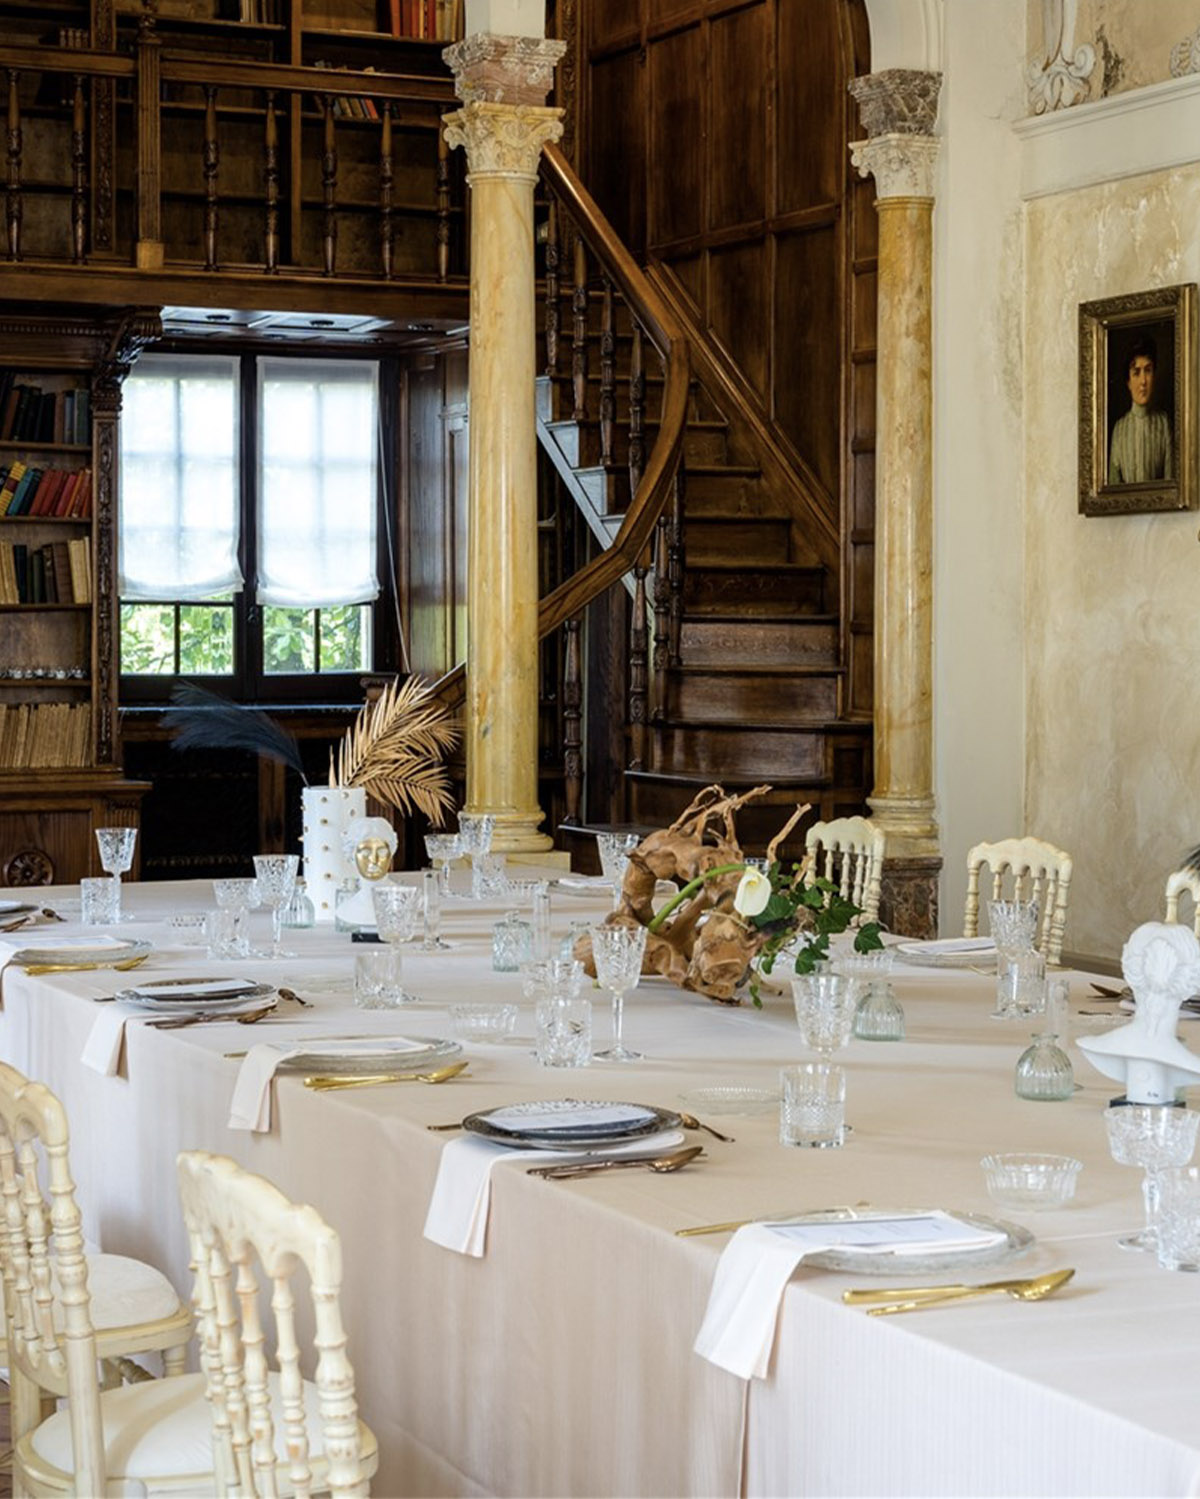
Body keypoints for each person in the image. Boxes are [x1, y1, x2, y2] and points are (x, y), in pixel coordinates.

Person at [1109, 336, 1173, 484]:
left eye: (1148, 371)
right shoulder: (1119, 429)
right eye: (1136, 373)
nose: (1143, 381)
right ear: (1128, 382)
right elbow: (1113, 487)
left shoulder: (1163, 423)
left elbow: (1171, 485)